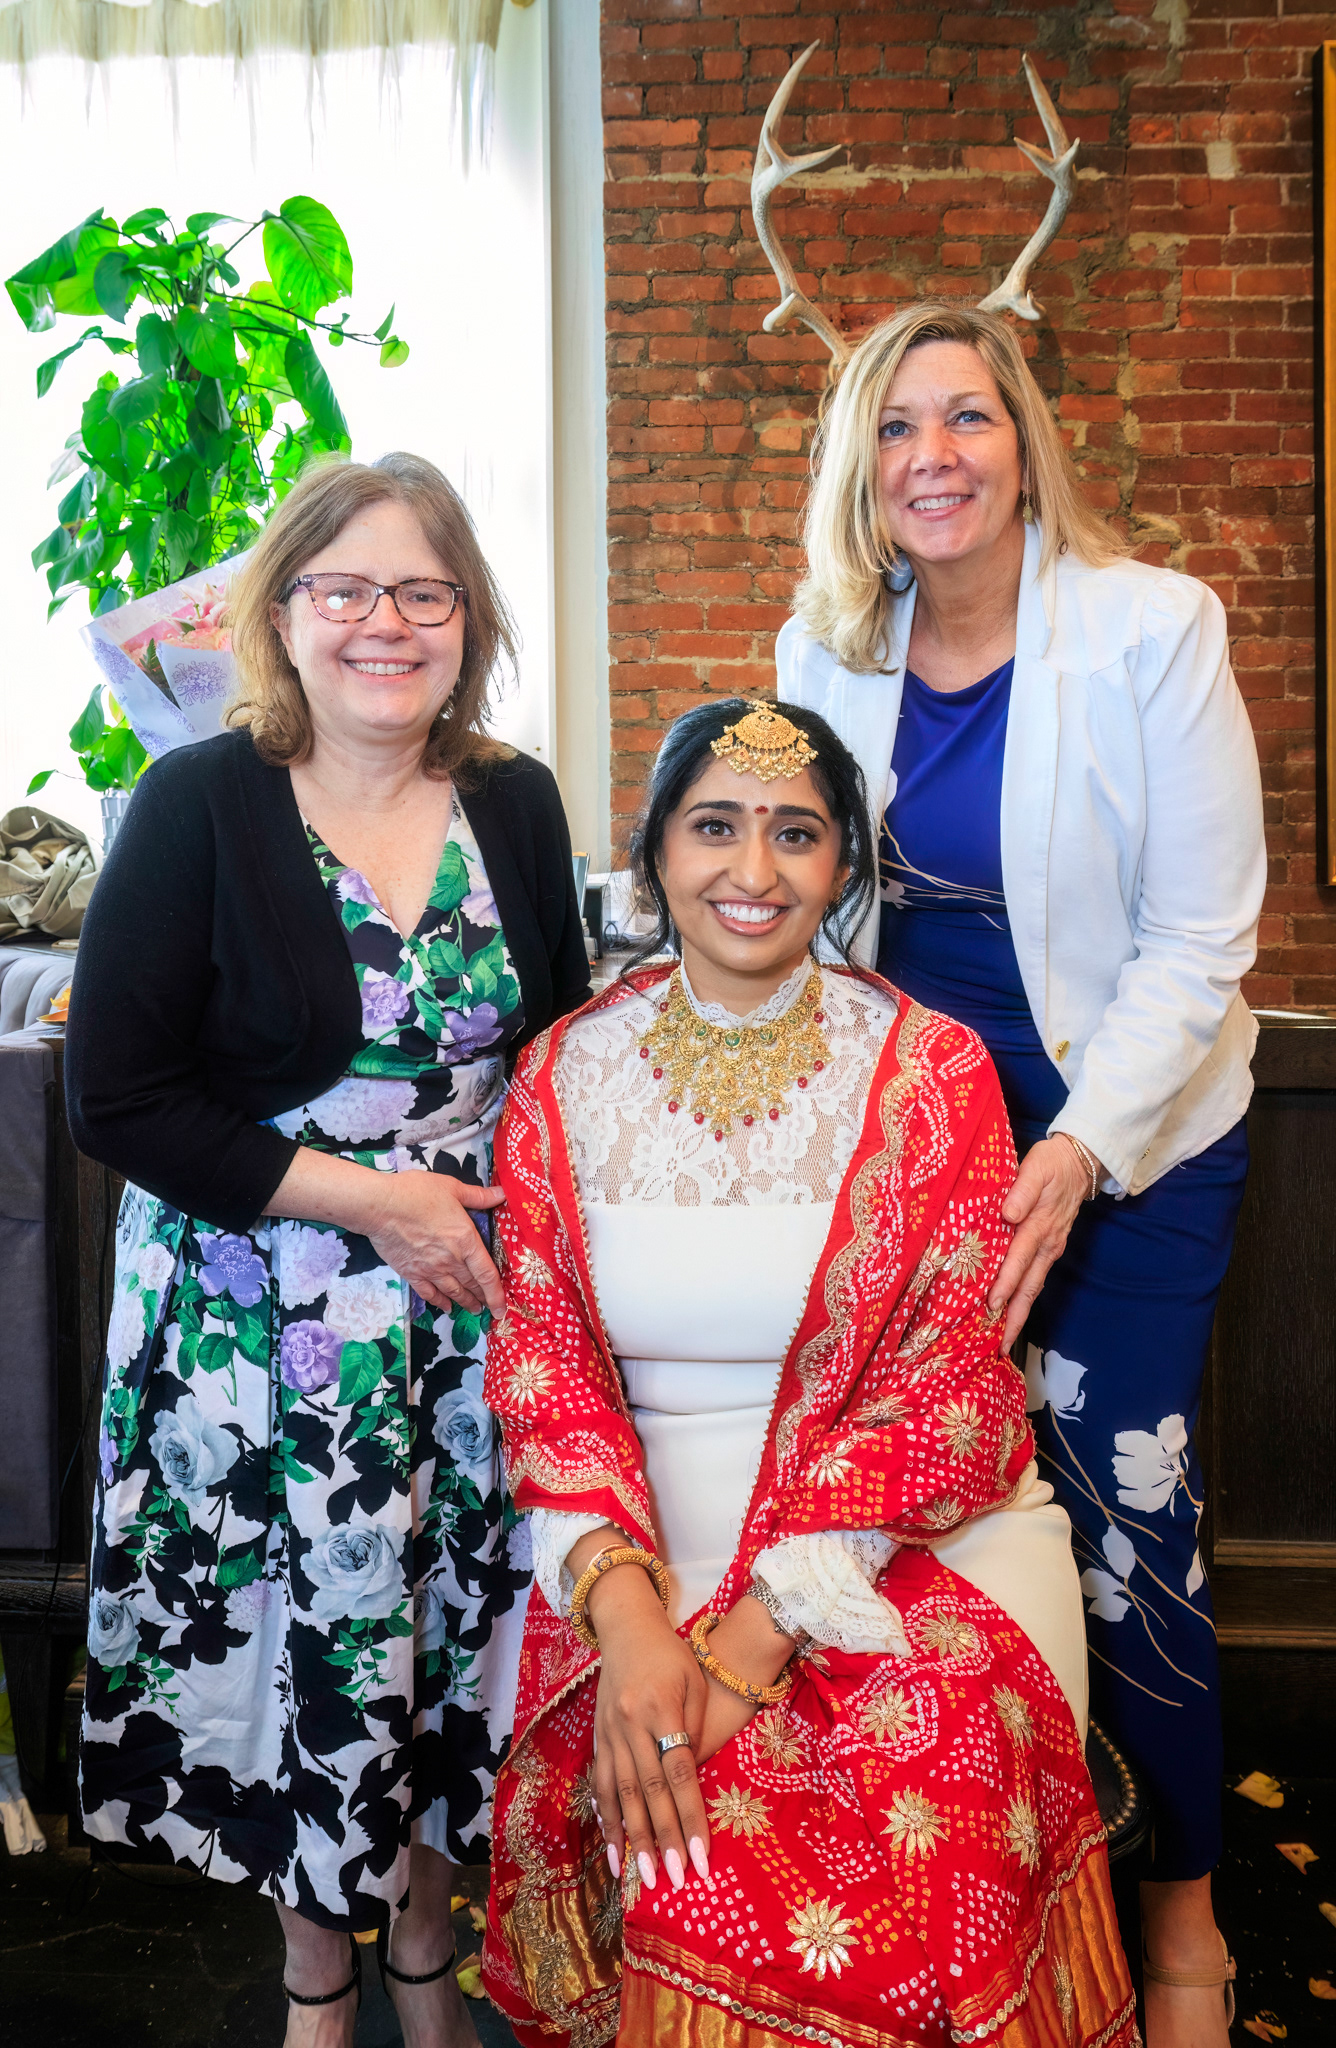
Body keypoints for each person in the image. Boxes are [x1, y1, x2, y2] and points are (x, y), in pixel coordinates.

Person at [479, 697, 1137, 2048]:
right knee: (662, 1825)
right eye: (713, 827)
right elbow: (544, 1363)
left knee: (913, 1791)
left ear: (843, 866)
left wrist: (752, 1641)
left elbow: (951, 1388)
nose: (753, 871)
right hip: (638, 1531)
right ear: (655, 853)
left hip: (910, 1525)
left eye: (796, 834)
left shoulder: (932, 1071)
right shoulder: (559, 1076)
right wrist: (633, 1625)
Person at [778, 303, 1264, 2043]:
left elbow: (1201, 940)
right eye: (896, 425)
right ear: (861, 468)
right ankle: (964, 1897)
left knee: (1127, 1530)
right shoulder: (824, 648)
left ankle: (1184, 1919)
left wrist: (1070, 1155)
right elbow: (797, 902)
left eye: (967, 417)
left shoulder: (1149, 628)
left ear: (1022, 441)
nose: (934, 457)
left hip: (1131, 1143)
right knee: (911, 1511)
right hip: (927, 1153)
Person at [66, 452, 591, 2047]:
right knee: (315, 1659)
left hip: (464, 1321)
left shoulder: (514, 798)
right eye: (344, 588)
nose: (386, 623)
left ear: (469, 620)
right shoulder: (199, 802)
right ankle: (314, 1986)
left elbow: (558, 1050)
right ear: (281, 615)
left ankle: (424, 1956)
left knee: (441, 1649)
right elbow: (118, 1097)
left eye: (424, 592)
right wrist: (376, 1202)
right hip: (258, 1320)